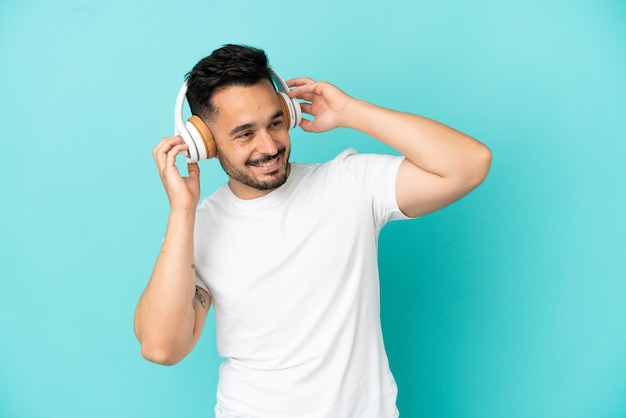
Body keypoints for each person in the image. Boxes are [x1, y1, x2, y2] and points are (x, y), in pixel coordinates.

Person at [134, 44, 491, 418]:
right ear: (203, 144)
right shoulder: (196, 227)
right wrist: (183, 210)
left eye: (275, 122)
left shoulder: (351, 183)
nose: (269, 146)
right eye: (244, 134)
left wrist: (352, 112)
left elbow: (469, 164)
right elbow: (162, 347)